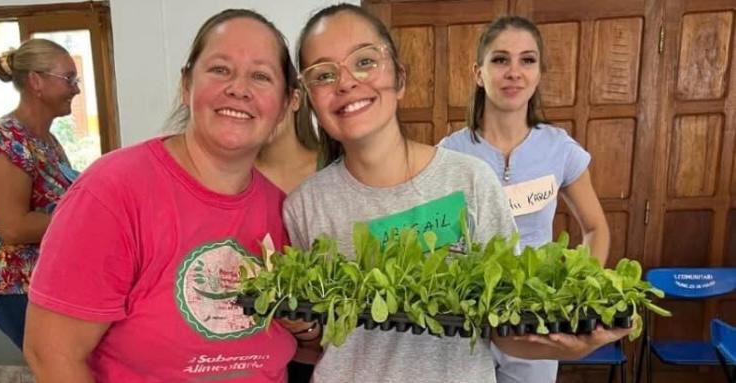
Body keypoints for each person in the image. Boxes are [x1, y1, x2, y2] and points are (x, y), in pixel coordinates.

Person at [283, 5, 628, 383]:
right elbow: (316, 341)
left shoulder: (470, 181)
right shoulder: (303, 205)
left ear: (400, 78)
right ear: (309, 97)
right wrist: (303, 327)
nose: (346, 82)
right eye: (324, 74)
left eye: (365, 61)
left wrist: (572, 343)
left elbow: (503, 331)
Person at [23, 9, 318, 382]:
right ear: (186, 84)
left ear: (285, 104)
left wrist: (306, 326)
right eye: (220, 69)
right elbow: (52, 354)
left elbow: (306, 343)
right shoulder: (114, 191)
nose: (239, 88)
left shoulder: (283, 211)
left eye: (261, 76)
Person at [439, 15, 612, 383]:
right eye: (500, 59)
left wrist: (577, 291)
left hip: (534, 318)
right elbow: (434, 239)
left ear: (539, 73)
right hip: (466, 318)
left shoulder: (559, 149)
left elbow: (596, 227)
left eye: (527, 60)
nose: (514, 72)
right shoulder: (448, 154)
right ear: (478, 73)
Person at [0, 38, 80, 350]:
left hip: (48, 282)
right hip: (19, 289)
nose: (76, 89)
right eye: (68, 79)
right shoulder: (7, 139)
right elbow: (14, 227)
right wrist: (85, 218)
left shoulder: (46, 140)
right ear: (36, 81)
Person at [256, 89, 321, 383]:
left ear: (295, 99)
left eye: (264, 84)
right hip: (262, 361)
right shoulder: (235, 177)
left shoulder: (335, 167)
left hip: (329, 360)